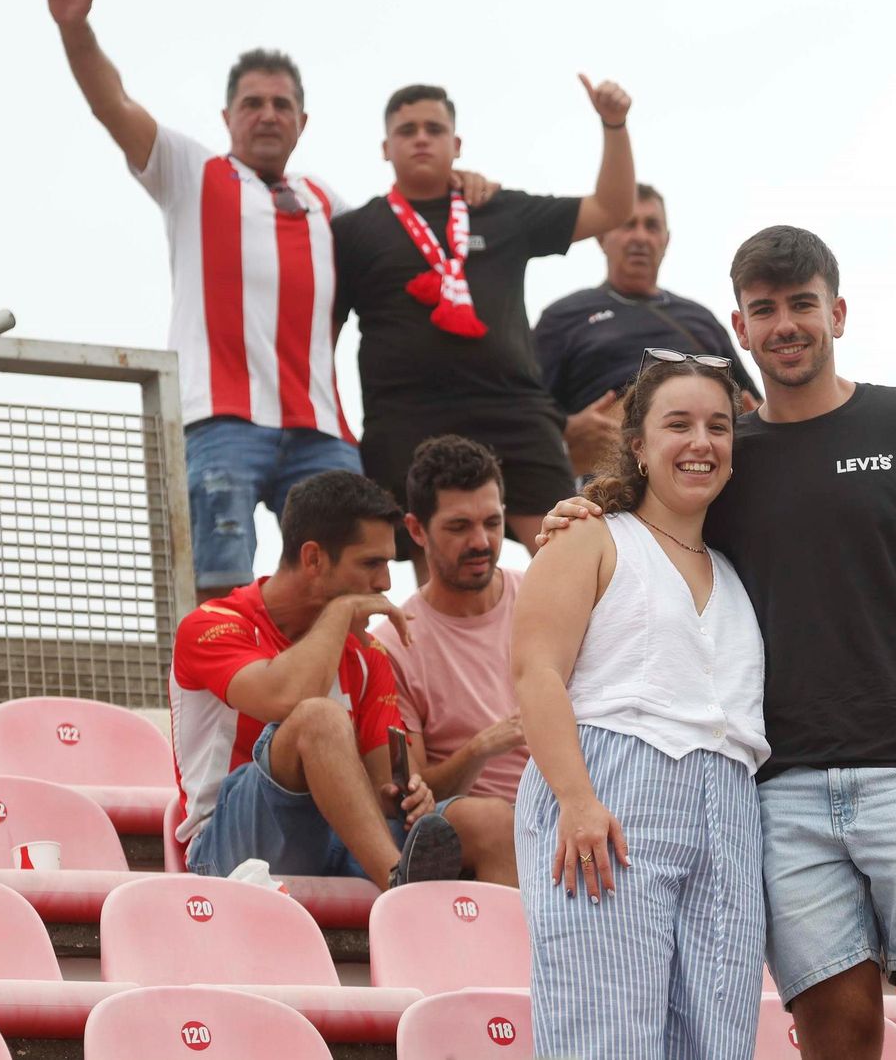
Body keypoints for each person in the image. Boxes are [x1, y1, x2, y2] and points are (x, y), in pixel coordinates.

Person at [540, 227, 896, 1060]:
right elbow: (651, 522)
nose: (785, 324)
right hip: (778, 788)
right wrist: (580, 507)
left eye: (802, 303)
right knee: (833, 1034)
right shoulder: (725, 455)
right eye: (764, 309)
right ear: (739, 326)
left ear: (836, 311)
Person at [47, 0, 496, 604]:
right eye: (252, 103)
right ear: (227, 115)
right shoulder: (190, 171)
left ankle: (330, 693)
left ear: (302, 122)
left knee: (349, 572)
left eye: (282, 105)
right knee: (218, 574)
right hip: (220, 417)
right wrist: (76, 27)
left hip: (319, 425)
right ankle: (221, 694)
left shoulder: (326, 200)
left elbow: (405, 237)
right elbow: (112, 103)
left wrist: (460, 186)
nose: (267, 115)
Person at [512, 355, 769, 1059]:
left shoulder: (739, 567)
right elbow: (535, 672)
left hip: (730, 807)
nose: (701, 442)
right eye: (678, 424)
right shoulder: (591, 535)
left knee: (718, 1041)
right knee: (606, 1037)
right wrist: (576, 798)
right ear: (637, 445)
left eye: (719, 427)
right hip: (614, 789)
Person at [332, 78, 636, 566]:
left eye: (434, 128)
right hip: (407, 416)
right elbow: (323, 336)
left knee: (569, 556)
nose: (421, 138)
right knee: (436, 577)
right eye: (407, 130)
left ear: (456, 144)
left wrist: (613, 124)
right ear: (386, 148)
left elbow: (612, 207)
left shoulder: (498, 209)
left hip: (513, 410)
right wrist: (336, 427)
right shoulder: (352, 232)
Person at [169, 470, 459, 890]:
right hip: (223, 849)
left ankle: (520, 950)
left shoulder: (369, 655)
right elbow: (285, 699)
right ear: (313, 559)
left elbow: (384, 789)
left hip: (334, 842)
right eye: (371, 564)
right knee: (318, 718)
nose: (385, 584)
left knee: (484, 821)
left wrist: (410, 795)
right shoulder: (211, 625)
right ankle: (402, 890)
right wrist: (339, 613)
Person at [371, 435, 525, 886]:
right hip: (466, 816)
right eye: (459, 527)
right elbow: (414, 794)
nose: (481, 541)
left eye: (492, 523)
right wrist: (483, 746)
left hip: (557, 802)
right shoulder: (394, 642)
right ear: (416, 531)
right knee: (495, 821)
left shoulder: (541, 596)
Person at [534, 183, 762, 475]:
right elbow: (527, 413)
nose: (640, 237)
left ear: (665, 240)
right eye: (628, 225)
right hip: (609, 484)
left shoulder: (700, 319)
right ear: (601, 236)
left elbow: (752, 404)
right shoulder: (563, 317)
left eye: (651, 226)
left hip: (703, 474)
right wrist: (565, 437)